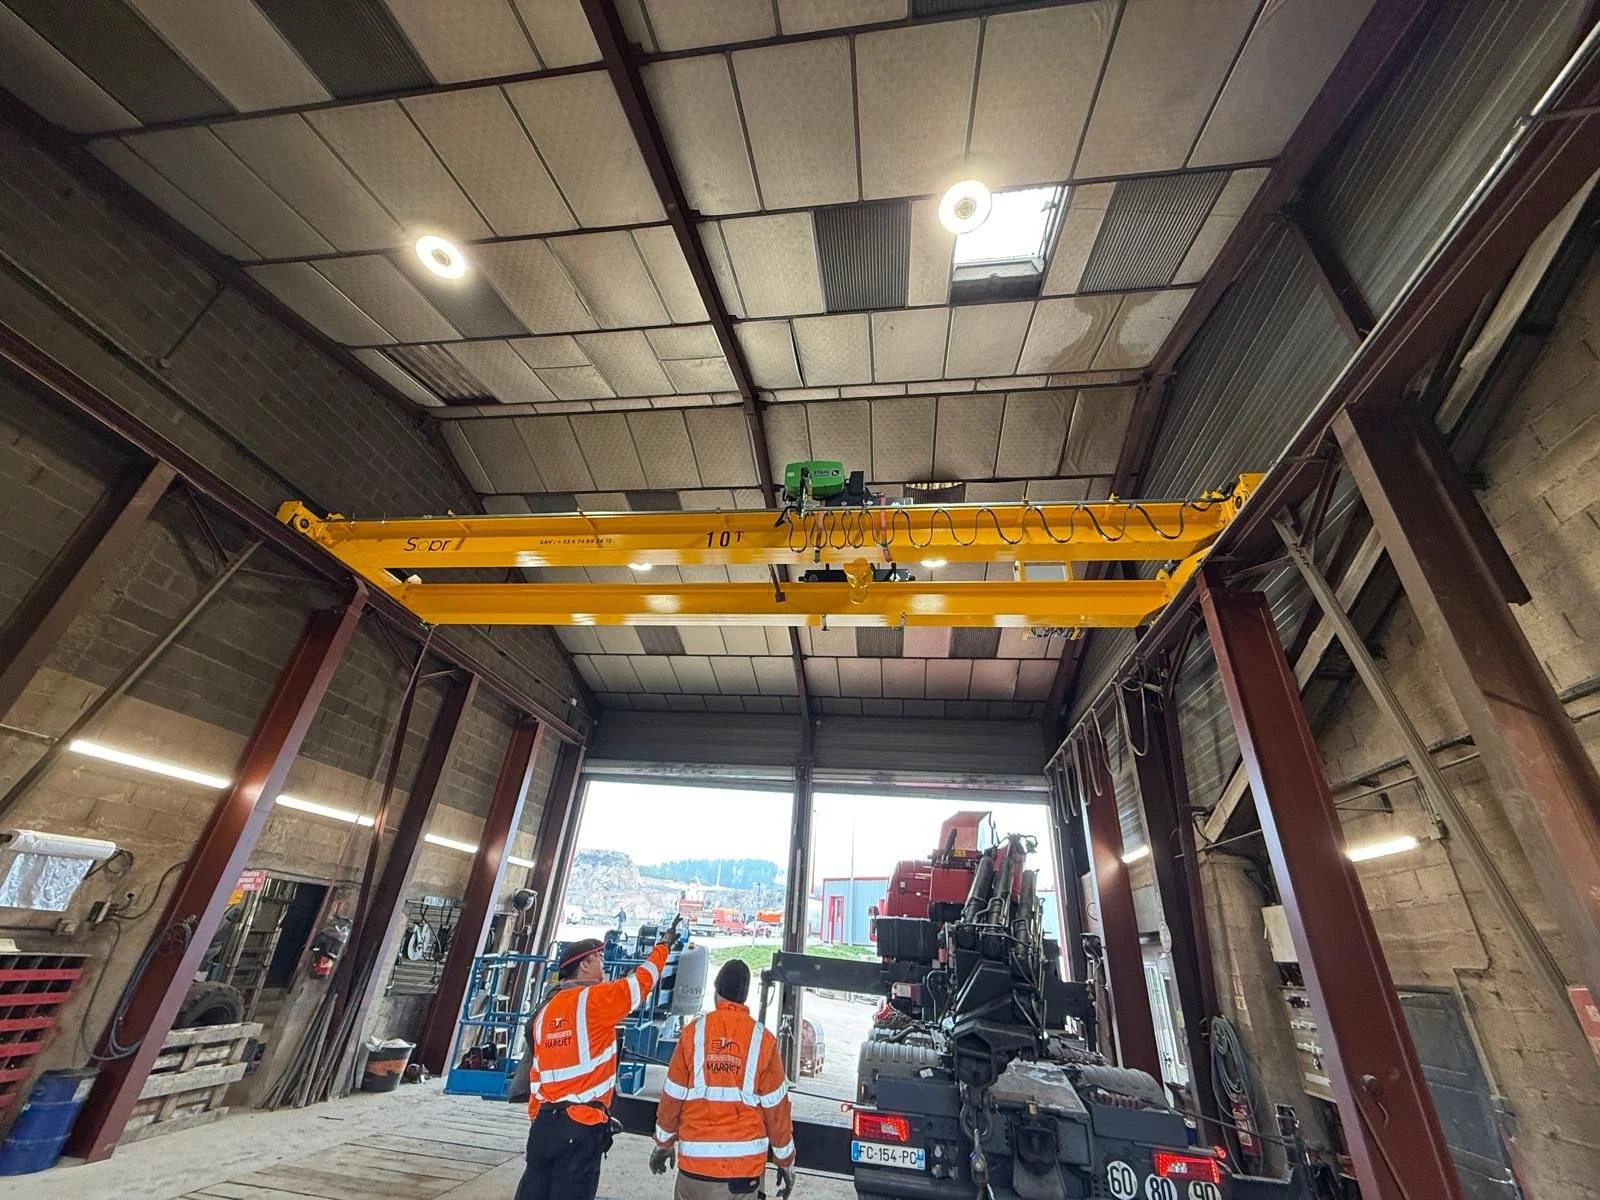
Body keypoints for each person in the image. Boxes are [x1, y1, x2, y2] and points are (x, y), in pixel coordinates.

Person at [514, 917, 679, 1200]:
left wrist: (537, 1120)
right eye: (599, 958)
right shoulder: (594, 1000)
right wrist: (663, 946)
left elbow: (537, 1073)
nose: (604, 964)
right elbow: (641, 982)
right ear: (584, 965)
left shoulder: (544, 1012)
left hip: (544, 1126)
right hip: (581, 1126)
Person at [650, 960, 797, 1199]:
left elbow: (672, 1097)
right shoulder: (763, 1040)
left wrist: (664, 1143)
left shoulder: (692, 1034)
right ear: (744, 997)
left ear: (717, 991)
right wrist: (785, 1160)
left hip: (694, 1172)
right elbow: (776, 1110)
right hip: (742, 1176)